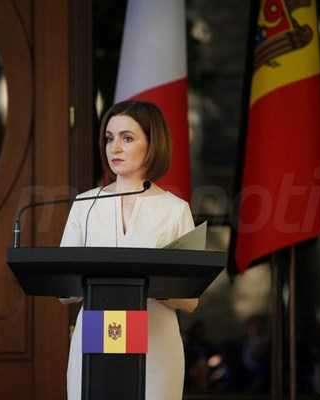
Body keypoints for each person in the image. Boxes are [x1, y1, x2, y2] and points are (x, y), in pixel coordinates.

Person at [60, 100, 199, 400]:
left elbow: (190, 299)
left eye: (127, 138)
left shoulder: (176, 210)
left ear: (152, 144)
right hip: (96, 335)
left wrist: (149, 284)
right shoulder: (84, 204)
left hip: (155, 342)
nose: (115, 148)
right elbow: (64, 288)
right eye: (109, 138)